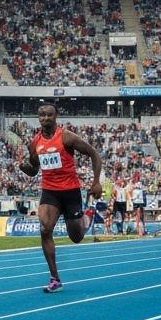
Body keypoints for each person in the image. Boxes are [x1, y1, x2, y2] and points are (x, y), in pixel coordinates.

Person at [18, 103, 102, 294]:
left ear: (56, 117)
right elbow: (34, 169)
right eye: (42, 115)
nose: (45, 118)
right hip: (50, 192)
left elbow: (94, 155)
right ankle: (55, 278)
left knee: (76, 238)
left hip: (70, 192)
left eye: (49, 115)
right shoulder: (34, 144)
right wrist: (25, 168)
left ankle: (86, 217)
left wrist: (96, 182)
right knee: (45, 229)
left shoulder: (66, 137)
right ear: (38, 117)